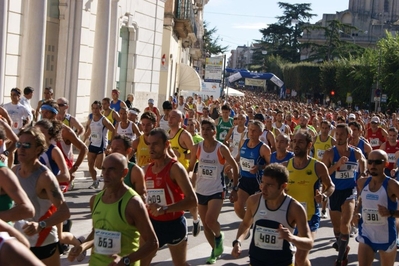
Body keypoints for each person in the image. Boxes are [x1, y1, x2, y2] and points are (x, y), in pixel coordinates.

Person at [68, 153, 159, 266]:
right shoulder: (95, 200)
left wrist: (126, 260)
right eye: (104, 169)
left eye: (111, 170)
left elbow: (153, 243)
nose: (105, 174)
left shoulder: (133, 203)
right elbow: (98, 232)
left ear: (124, 173)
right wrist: (83, 246)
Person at [231, 163, 314, 266]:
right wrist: (238, 242)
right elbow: (245, 224)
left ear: (283, 186)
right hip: (256, 261)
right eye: (262, 183)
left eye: (269, 185)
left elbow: (309, 243)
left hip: (282, 262)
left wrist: (291, 238)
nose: (263, 188)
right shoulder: (253, 201)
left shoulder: (295, 208)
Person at [13, 127, 70, 266]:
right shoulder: (14, 171)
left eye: (26, 145)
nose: (21, 149)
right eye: (18, 145)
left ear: (38, 150)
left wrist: (41, 225)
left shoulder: (45, 177)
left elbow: (64, 212)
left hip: (43, 242)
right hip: (19, 239)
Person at [140, 128, 197, 266]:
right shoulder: (146, 169)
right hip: (152, 224)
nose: (151, 148)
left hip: (174, 224)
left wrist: (164, 209)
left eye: (156, 144)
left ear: (167, 144)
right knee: (142, 263)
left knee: (180, 264)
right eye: (149, 144)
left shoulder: (175, 168)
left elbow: (192, 200)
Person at [283, 131, 335, 266]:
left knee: (300, 257)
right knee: (291, 257)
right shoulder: (285, 166)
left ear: (309, 145)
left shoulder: (317, 166)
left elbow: (331, 186)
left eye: (300, 142)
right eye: (294, 141)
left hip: (309, 217)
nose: (296, 145)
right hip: (289, 218)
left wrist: (324, 196)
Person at [194, 119, 239, 264]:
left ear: (214, 131)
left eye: (208, 129)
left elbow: (235, 167)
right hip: (201, 190)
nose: (205, 132)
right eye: (203, 129)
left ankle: (219, 235)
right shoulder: (197, 148)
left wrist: (235, 187)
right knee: (206, 226)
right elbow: (191, 168)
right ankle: (214, 250)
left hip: (217, 190)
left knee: (210, 220)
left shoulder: (221, 148)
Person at [322, 124, 366, 265]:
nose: (339, 137)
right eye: (337, 134)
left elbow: (363, 162)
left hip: (349, 192)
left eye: (342, 134)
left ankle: (340, 259)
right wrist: (337, 165)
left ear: (348, 136)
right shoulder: (329, 153)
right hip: (334, 191)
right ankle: (343, 247)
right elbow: (323, 173)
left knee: (345, 224)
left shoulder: (356, 152)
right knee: (336, 228)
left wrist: (362, 174)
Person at [354, 149, 399, 266]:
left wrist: (391, 213)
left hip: (386, 237)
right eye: (370, 162)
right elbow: (361, 200)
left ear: (386, 164)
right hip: (366, 235)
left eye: (377, 162)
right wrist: (356, 212)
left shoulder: (392, 185)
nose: (372, 165)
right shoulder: (362, 182)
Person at [41, 100, 88, 190]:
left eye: (47, 112)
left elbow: (84, 149)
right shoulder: (40, 129)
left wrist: (73, 169)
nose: (43, 115)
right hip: (45, 171)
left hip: (61, 173)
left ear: (54, 114)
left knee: (53, 201)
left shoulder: (65, 131)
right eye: (42, 112)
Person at [235, 120, 271, 221]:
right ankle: (249, 223)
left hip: (257, 182)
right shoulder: (243, 142)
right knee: (238, 206)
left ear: (260, 133)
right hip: (244, 180)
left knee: (258, 210)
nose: (251, 132)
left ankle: (256, 224)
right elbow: (238, 157)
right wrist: (230, 164)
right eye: (250, 130)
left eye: (254, 131)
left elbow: (271, 165)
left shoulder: (264, 148)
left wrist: (259, 167)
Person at [84, 101, 115, 189]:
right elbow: (89, 132)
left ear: (100, 109)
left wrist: (110, 144)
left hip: (101, 146)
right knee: (90, 166)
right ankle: (95, 181)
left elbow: (113, 130)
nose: (95, 110)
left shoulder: (104, 120)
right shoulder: (91, 119)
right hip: (92, 144)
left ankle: (111, 171)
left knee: (99, 166)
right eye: (93, 108)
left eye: (97, 108)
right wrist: (83, 142)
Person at [110, 135, 146, 202]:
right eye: (112, 148)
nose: (113, 152)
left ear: (128, 150)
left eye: (117, 149)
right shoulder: (109, 169)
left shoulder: (135, 171)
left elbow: (142, 199)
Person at [3, 88, 31, 165]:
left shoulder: (22, 108)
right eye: (11, 95)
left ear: (19, 96)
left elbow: (28, 119)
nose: (12, 96)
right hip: (7, 131)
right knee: (6, 149)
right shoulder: (6, 106)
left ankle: (10, 168)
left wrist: (24, 127)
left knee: (11, 151)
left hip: (17, 132)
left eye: (14, 95)